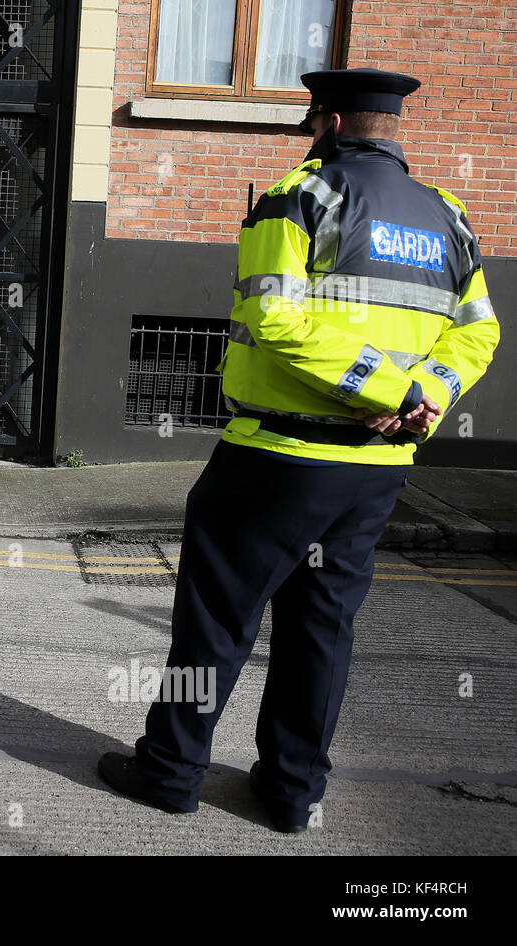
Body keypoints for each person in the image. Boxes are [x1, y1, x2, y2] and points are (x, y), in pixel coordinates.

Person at [97, 68, 500, 832]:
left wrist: (387, 389)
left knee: (216, 622)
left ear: (332, 125)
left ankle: (170, 772)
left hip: (277, 458)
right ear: (391, 132)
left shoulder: (302, 196)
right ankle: (290, 792)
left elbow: (276, 320)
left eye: (311, 124)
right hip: (376, 471)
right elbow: (478, 331)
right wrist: (424, 396)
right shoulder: (449, 218)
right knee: (322, 629)